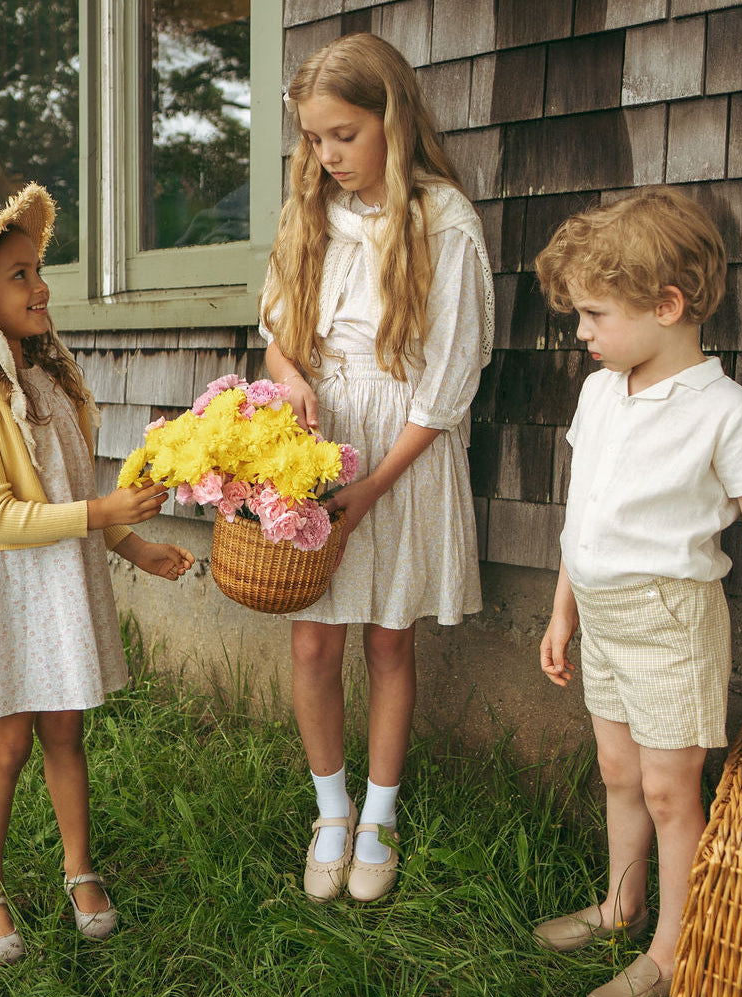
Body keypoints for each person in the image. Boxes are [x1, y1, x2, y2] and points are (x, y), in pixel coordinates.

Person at [532, 186, 742, 997]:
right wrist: (561, 609)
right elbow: (581, 513)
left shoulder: (724, 412)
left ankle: (670, 950)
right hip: (603, 613)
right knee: (618, 771)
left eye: (594, 314)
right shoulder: (599, 393)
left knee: (668, 790)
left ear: (667, 304)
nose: (581, 332)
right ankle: (623, 906)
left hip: (669, 623)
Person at [0, 184, 195, 964]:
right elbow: (2, 516)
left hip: (62, 572)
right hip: (6, 580)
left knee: (66, 728)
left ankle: (79, 869)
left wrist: (134, 547)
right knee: (7, 740)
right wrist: (105, 516)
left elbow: (69, 498)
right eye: (18, 276)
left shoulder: (44, 379)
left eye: (38, 271)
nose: (40, 288)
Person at [260, 33, 494, 903]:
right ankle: (330, 809)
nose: (328, 156)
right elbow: (281, 343)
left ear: (392, 120)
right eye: (315, 139)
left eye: (345, 135)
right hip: (327, 449)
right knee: (314, 634)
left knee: (389, 639)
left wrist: (370, 490)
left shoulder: (444, 222)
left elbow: (446, 387)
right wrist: (289, 386)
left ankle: (380, 817)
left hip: (400, 451)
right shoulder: (309, 216)